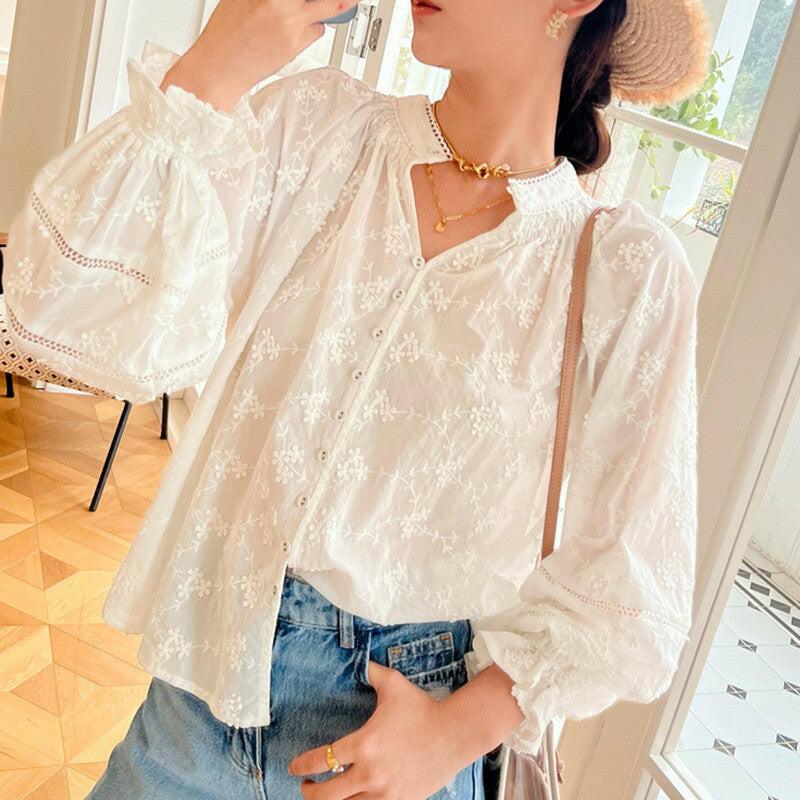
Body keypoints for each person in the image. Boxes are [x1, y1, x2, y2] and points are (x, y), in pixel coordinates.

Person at [3, 0, 710, 798]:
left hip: (402, 737)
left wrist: (450, 737)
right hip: (199, 698)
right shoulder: (317, 131)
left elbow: (632, 588)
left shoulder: (623, 270)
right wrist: (213, 70)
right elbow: (57, 309)